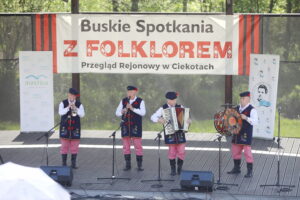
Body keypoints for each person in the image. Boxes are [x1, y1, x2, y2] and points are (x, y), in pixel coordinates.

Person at [151, 91, 190, 176]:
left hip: (180, 134)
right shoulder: (163, 108)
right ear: (167, 100)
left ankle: (179, 168)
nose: (172, 102)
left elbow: (186, 119)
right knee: (172, 152)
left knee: (181, 151)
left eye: (174, 100)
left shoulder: (180, 107)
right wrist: (159, 119)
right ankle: (173, 169)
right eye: (171, 100)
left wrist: (188, 121)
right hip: (170, 134)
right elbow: (153, 117)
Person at [227, 91, 258, 178]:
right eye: (241, 98)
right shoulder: (236, 108)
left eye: (243, 98)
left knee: (247, 153)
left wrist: (246, 118)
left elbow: (255, 122)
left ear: (248, 99)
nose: (241, 100)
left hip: (246, 134)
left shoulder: (252, 109)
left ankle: (249, 171)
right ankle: (236, 168)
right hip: (236, 134)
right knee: (235, 151)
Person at [115, 86, 146, 171]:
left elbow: (143, 113)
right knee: (126, 146)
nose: (129, 93)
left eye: (131, 92)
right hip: (125, 126)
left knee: (138, 146)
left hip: (136, 126)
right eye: (128, 92)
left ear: (135, 92)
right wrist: (122, 111)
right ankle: (128, 165)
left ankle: (139, 165)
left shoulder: (140, 101)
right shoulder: (123, 101)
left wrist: (132, 108)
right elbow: (117, 113)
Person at [59, 88, 85, 169]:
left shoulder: (79, 104)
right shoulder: (63, 103)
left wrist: (75, 108)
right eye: (71, 95)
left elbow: (82, 115)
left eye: (74, 96)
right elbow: (60, 112)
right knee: (64, 146)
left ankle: (73, 164)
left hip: (75, 128)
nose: (72, 97)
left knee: (74, 146)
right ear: (68, 94)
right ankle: (64, 163)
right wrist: (68, 107)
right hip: (65, 127)